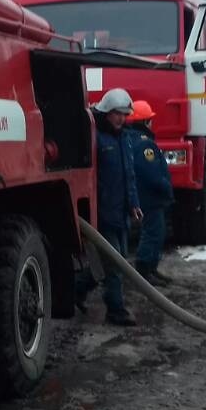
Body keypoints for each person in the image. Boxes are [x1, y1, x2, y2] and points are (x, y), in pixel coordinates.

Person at [77, 88, 143, 326]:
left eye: (124, 114)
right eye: (117, 114)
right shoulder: (96, 138)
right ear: (106, 112)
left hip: (121, 212)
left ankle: (77, 289)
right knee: (115, 263)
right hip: (102, 214)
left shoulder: (125, 138)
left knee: (115, 261)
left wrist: (134, 204)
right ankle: (115, 310)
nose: (121, 119)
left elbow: (130, 176)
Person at [125, 100, 175, 286]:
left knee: (155, 232)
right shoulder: (145, 145)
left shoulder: (130, 139)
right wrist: (167, 188)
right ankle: (146, 270)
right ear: (145, 122)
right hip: (151, 198)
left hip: (144, 196)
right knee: (153, 233)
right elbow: (152, 174)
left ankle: (151, 269)